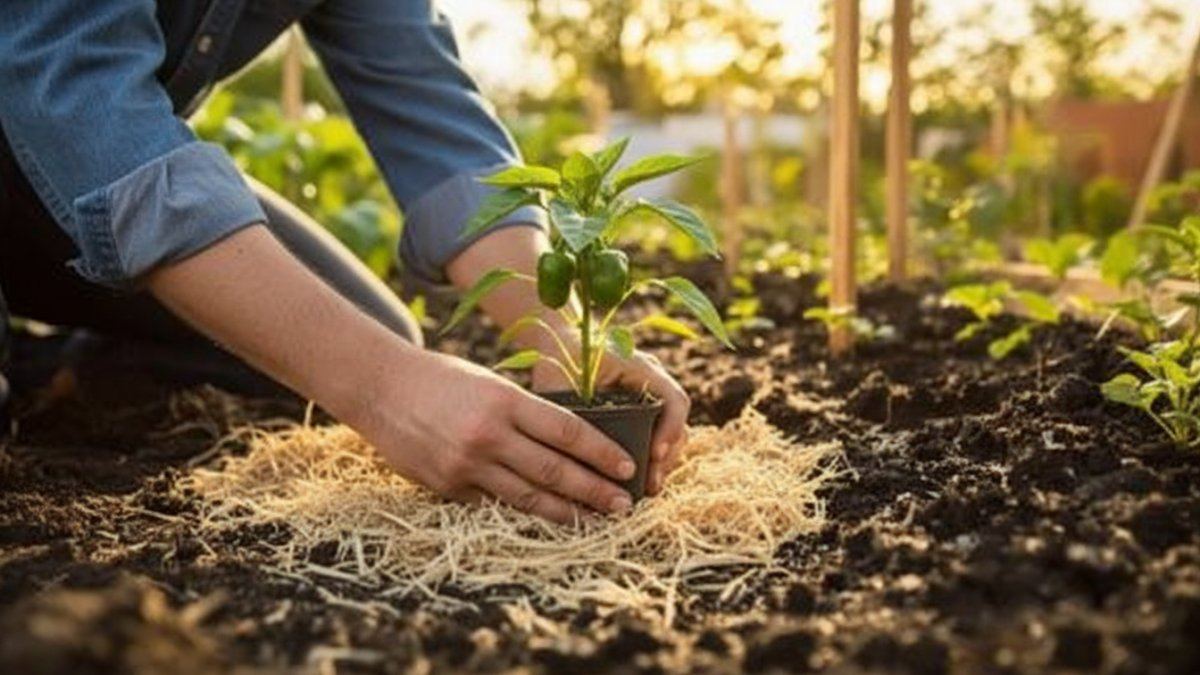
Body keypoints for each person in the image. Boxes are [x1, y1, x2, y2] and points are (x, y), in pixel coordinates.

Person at [0, 0, 690, 523]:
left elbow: (433, 113)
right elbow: (75, 93)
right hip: (53, 140)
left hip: (56, 194)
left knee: (360, 329)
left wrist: (558, 335)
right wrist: (385, 391)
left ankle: (44, 364)